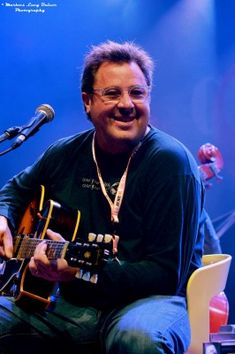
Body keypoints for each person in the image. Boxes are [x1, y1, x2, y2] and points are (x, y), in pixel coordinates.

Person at [0, 40, 205, 354]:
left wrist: (81, 270)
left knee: (139, 339)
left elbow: (166, 276)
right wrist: (2, 217)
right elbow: (14, 191)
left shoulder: (171, 163)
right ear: (87, 102)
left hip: (147, 304)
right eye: (112, 93)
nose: (126, 104)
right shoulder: (65, 154)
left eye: (137, 93)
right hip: (66, 302)